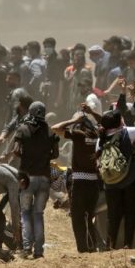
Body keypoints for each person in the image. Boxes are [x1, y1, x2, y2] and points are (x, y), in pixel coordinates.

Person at [96, 104, 135, 249]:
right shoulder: (128, 132)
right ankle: (127, 244)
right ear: (119, 121)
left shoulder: (101, 138)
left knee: (113, 215)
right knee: (130, 212)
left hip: (110, 183)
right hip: (131, 180)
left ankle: (110, 245)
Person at [13, 102, 59, 258]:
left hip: (26, 177)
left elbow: (16, 151)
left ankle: (27, 248)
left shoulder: (23, 129)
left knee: (25, 212)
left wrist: (27, 157)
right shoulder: (50, 131)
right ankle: (39, 251)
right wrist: (43, 157)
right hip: (44, 178)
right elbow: (56, 154)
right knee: (38, 214)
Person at [51, 108, 101, 253]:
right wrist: (91, 112)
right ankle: (92, 247)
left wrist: (74, 120)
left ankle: (83, 250)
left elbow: (55, 128)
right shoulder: (97, 134)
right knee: (89, 217)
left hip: (80, 181)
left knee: (78, 219)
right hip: (94, 182)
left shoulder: (79, 134)